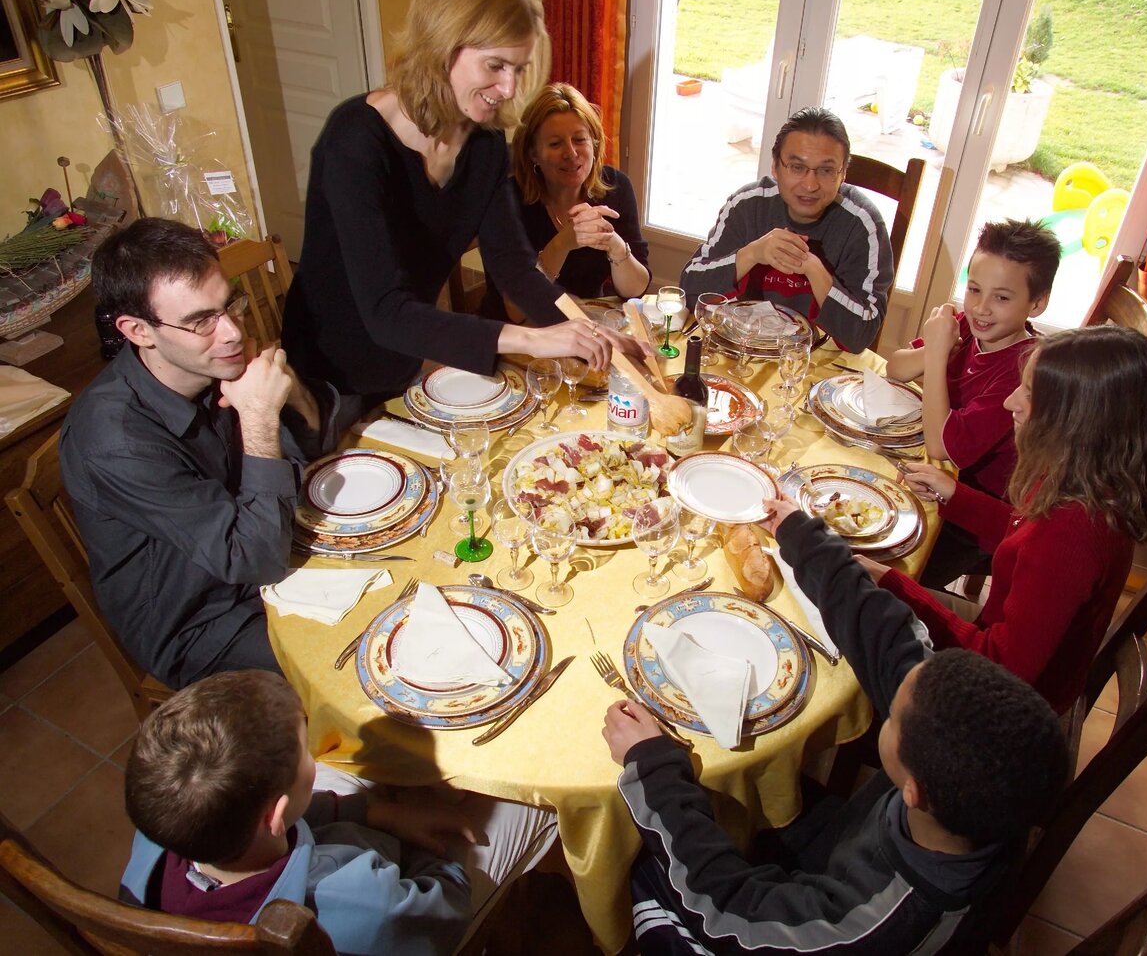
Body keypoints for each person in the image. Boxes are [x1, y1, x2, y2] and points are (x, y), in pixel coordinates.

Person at [602, 496, 1068, 955]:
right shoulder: (979, 786)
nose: (897, 686)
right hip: (849, 842)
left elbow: (728, 913)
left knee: (638, 859)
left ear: (915, 791)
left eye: (890, 720)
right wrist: (803, 538)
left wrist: (652, 766)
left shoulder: (877, 926)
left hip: (774, 915)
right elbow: (893, 646)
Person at [282, 0, 638, 401]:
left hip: (409, 353)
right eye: (495, 65)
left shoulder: (482, 146)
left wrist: (594, 333)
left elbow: (517, 271)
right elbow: (386, 313)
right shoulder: (355, 142)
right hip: (328, 372)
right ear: (442, 47)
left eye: (518, 69)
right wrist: (536, 340)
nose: (508, 88)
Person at [59, 218, 350, 689]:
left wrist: (290, 392)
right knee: (358, 666)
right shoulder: (115, 441)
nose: (233, 332)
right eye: (200, 321)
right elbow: (254, 559)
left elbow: (318, 447)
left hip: (267, 548)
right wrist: (257, 419)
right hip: (206, 624)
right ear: (138, 331)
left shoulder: (210, 361)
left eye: (229, 304)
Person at [121, 670, 558, 955]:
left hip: (313, 867)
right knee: (536, 801)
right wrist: (439, 854)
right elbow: (442, 911)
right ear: (276, 816)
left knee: (354, 775)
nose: (313, 757)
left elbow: (295, 813)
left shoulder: (165, 827)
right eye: (304, 752)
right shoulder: (365, 903)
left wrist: (381, 813)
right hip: (421, 912)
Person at [866, 325, 1147, 714]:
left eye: (1029, 393)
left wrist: (891, 584)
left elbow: (999, 666)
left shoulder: (1074, 533)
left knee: (850, 620)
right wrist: (954, 494)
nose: (1011, 402)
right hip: (996, 643)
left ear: (1078, 419)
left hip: (997, 706)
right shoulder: (1084, 475)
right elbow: (1025, 531)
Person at [885, 219, 1061, 588]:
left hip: (974, 520)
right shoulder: (968, 325)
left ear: (1037, 303)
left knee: (882, 567)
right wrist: (937, 344)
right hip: (939, 483)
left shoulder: (1022, 370)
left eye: (1002, 297)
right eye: (974, 289)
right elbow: (896, 368)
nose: (981, 308)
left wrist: (936, 353)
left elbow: (943, 447)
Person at [679, 107, 893, 354]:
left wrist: (813, 268)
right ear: (775, 166)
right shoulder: (748, 204)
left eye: (825, 170)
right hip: (742, 351)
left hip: (817, 361)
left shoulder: (863, 225)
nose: (810, 185)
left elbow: (861, 335)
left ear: (843, 173)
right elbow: (689, 289)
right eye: (796, 167)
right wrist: (752, 254)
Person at [481, 82, 651, 321]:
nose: (571, 153)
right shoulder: (506, 203)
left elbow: (635, 289)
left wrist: (614, 243)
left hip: (584, 324)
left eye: (579, 139)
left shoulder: (616, 187)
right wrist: (563, 243)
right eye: (555, 144)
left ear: (594, 142)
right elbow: (516, 311)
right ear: (533, 153)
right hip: (517, 336)